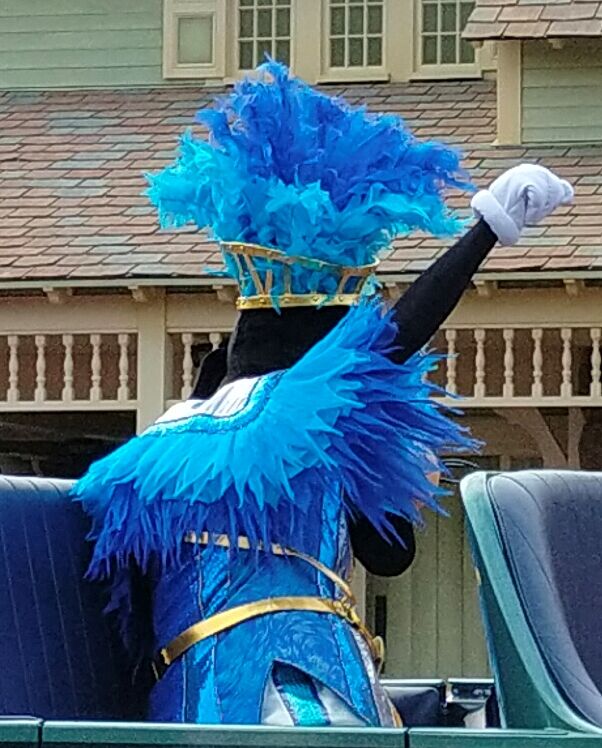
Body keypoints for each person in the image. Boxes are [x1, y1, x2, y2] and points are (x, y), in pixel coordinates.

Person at [73, 62, 573, 727]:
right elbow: (390, 346)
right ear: (327, 351)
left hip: (182, 702)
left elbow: (132, 607)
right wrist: (484, 232)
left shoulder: (147, 456)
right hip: (299, 693)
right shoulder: (301, 419)